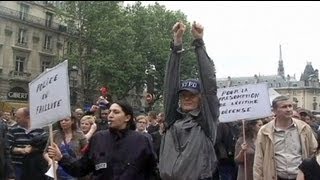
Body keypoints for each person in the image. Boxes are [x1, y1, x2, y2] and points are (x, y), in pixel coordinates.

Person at [159, 21, 220, 180]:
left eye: (192, 95)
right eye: (183, 95)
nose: (187, 98)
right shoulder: (172, 119)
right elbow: (170, 84)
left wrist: (199, 43)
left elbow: (208, 82)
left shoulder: (206, 120)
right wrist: (177, 44)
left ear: (201, 97)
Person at [47, 101, 158, 180]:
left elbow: (152, 172)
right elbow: (81, 168)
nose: (110, 115)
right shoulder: (98, 138)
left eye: (116, 112)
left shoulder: (142, 141)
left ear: (127, 118)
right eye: (109, 112)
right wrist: (61, 158)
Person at [253, 95, 318, 180]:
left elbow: (314, 152)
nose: (288, 109)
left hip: (301, 176)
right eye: (284, 107)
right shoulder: (265, 131)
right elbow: (259, 159)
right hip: (276, 176)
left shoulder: (304, 128)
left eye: (290, 106)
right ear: (275, 111)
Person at [7, 107, 48, 180]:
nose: (16, 120)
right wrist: (21, 150)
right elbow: (7, 148)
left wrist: (34, 149)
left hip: (34, 167)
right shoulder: (12, 130)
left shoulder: (40, 129)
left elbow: (45, 148)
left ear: (28, 117)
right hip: (17, 166)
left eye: (18, 118)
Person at [45, 115, 88, 180]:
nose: (63, 122)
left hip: (74, 169)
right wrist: (50, 160)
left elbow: (87, 151)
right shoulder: (54, 134)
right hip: (58, 171)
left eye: (66, 120)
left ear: (72, 121)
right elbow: (45, 152)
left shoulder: (79, 134)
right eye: (61, 120)